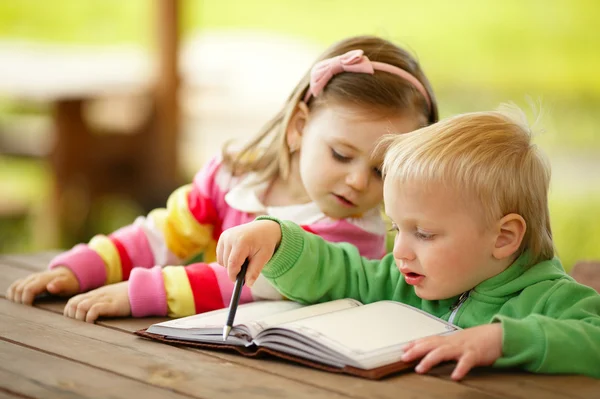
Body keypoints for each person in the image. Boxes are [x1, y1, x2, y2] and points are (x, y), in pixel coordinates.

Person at [6, 35, 438, 322]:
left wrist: (135, 294)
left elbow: (242, 285)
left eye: (383, 170)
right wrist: (83, 268)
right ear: (299, 128)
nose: (358, 182)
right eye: (341, 154)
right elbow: (163, 234)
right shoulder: (234, 177)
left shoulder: (355, 238)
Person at [217, 105, 600, 380]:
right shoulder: (404, 279)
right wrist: (279, 238)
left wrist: (503, 339)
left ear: (503, 238)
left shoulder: (551, 300)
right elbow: (341, 273)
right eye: (396, 228)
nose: (399, 250)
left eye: (425, 234)